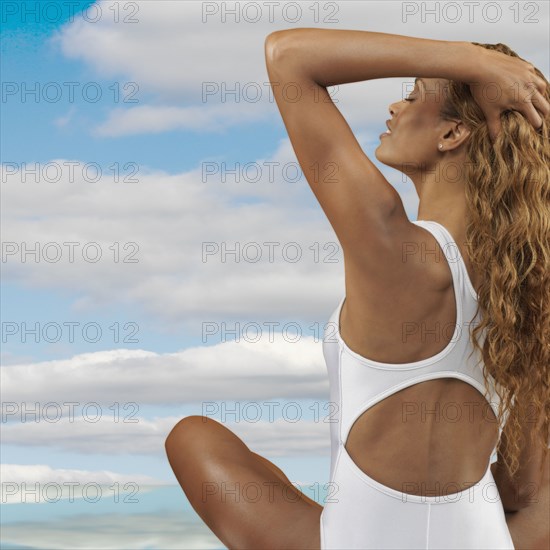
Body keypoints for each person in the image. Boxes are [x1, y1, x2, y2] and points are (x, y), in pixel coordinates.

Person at [165, 29, 549, 549]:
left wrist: (474, 62)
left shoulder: (397, 248)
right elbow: (524, 487)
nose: (395, 106)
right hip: (482, 538)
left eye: (413, 95)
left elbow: (289, 58)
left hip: (360, 539)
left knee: (192, 436)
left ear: (452, 134)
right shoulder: (530, 285)